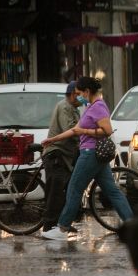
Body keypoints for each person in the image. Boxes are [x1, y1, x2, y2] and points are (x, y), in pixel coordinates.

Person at [42, 77, 134, 240]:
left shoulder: (98, 106)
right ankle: (132, 225)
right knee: (112, 191)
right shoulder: (91, 107)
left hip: (90, 153)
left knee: (74, 188)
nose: (78, 96)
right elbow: (74, 130)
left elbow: (107, 130)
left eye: (79, 93)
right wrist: (53, 140)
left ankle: (62, 228)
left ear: (87, 91)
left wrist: (86, 132)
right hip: (94, 154)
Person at [41, 81, 81, 232]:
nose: (81, 97)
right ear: (72, 94)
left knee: (67, 189)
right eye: (79, 94)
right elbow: (70, 129)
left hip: (66, 156)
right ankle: (48, 227)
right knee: (56, 192)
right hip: (56, 154)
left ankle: (62, 222)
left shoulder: (74, 109)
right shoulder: (64, 106)